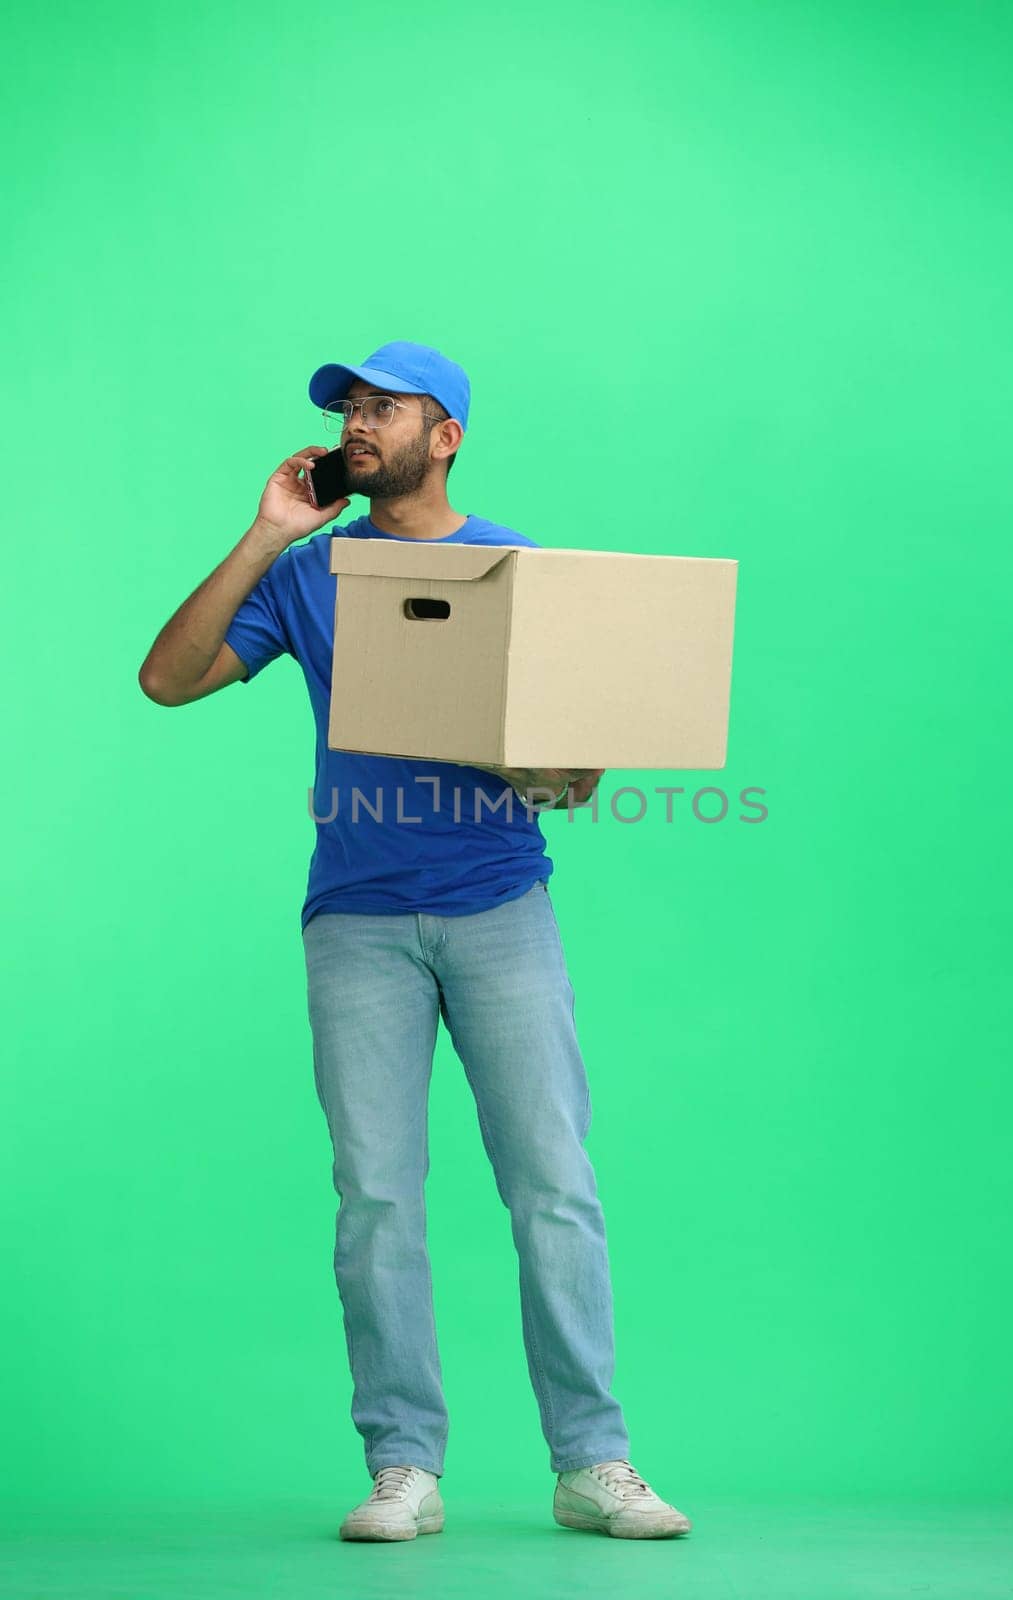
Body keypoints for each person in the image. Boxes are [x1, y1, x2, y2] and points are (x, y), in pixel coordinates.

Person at [137, 340, 691, 1543]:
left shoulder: (520, 570)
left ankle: (591, 1459)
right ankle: (403, 1465)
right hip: (357, 924)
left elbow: (572, 780)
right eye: (347, 409)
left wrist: (499, 745)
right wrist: (263, 532)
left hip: (500, 910)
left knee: (552, 1185)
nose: (356, 423)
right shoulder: (309, 570)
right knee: (377, 1197)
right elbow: (167, 681)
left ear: (444, 436)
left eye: (383, 407)